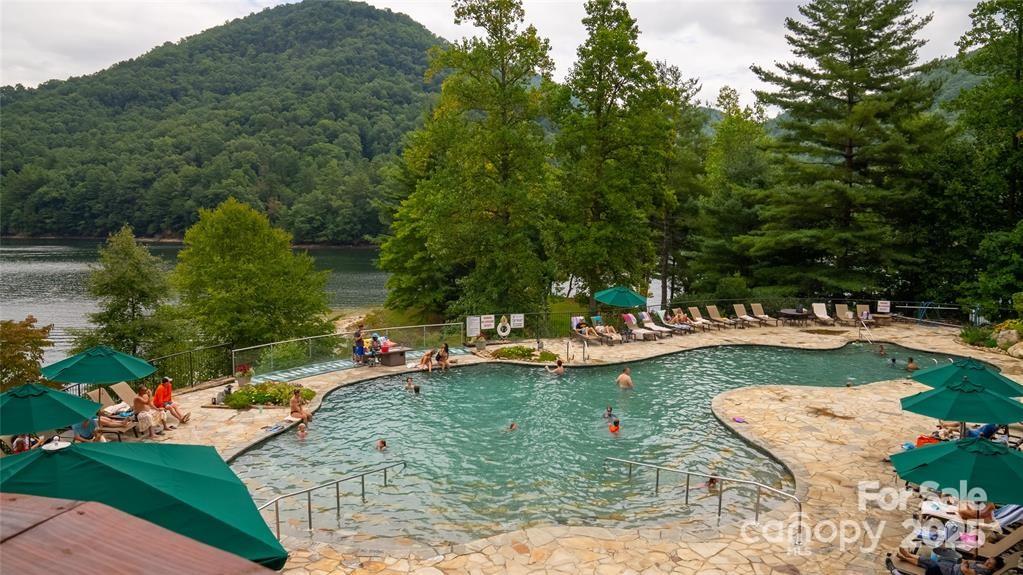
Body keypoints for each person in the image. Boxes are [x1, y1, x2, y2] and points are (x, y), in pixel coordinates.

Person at [896, 546, 1001, 575]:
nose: (987, 562)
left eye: (990, 563)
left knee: (931, 563)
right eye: (988, 560)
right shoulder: (981, 564)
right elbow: (967, 562)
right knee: (938, 558)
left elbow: (965, 570)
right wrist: (966, 561)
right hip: (953, 566)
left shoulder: (984, 572)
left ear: (994, 568)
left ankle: (907, 556)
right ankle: (908, 555)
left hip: (952, 572)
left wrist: (965, 563)